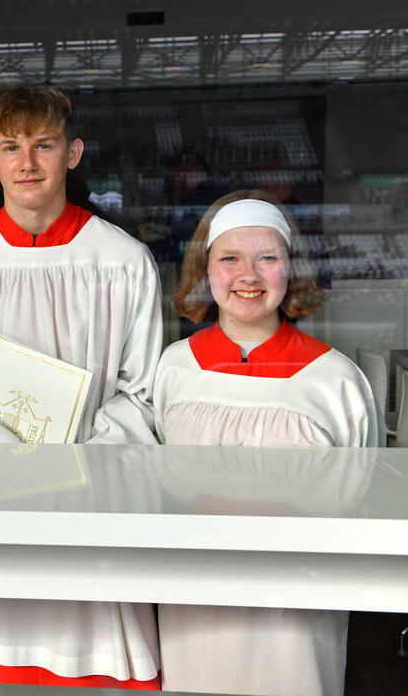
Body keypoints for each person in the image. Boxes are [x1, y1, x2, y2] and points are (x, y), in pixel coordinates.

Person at [0, 83, 163, 692]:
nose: (27, 163)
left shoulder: (123, 263)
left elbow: (144, 394)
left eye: (43, 145)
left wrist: (70, 468)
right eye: (10, 147)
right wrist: (17, 467)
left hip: (89, 508)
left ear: (73, 153)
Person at [155, 190, 379, 696]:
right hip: (196, 600)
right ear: (205, 270)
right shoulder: (174, 368)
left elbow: (360, 504)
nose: (248, 276)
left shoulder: (335, 380)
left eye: (268, 258)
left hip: (298, 608)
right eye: (229, 259)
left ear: (291, 269)